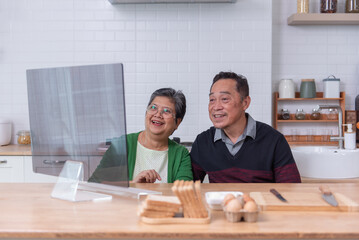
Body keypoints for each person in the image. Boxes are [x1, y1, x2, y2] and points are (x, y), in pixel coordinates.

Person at [190, 72, 301, 183]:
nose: (216, 107)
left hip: (260, 200)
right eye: (212, 100)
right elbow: (187, 187)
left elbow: (291, 189)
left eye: (224, 99)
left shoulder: (274, 140)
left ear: (245, 103)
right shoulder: (203, 142)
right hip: (222, 201)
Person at [89, 88, 193, 183]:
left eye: (166, 111)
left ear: (177, 122)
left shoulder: (181, 155)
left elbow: (184, 193)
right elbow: (94, 184)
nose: (157, 114)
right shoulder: (123, 145)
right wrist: (133, 184)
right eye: (153, 107)